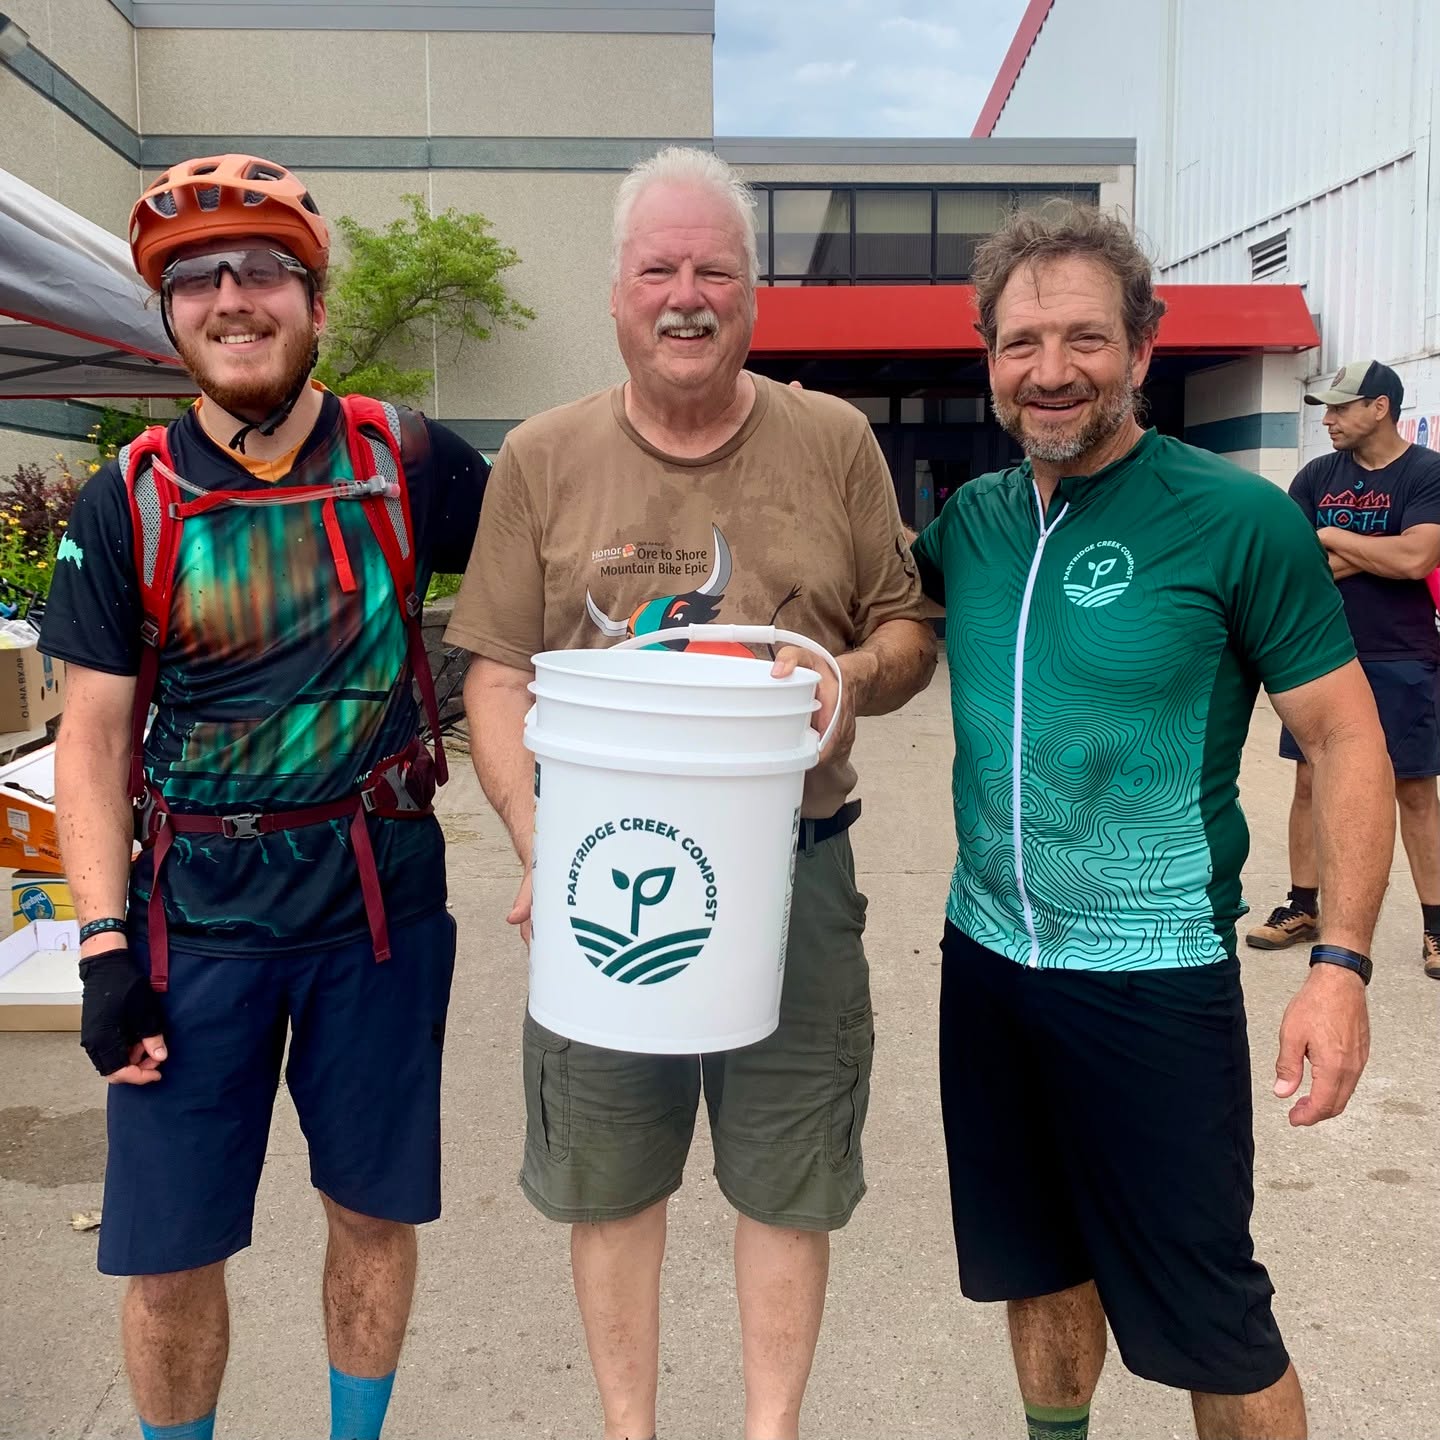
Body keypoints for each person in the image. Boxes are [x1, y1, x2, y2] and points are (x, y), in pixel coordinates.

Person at [444, 145, 934, 1440]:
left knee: (788, 1182)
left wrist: (851, 682)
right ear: (614, 291)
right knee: (610, 1182)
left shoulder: (834, 442)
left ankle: (769, 1431)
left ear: (753, 294)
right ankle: (630, 1430)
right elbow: (492, 671)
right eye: (658, 267)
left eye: (714, 267)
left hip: (798, 868)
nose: (686, 293)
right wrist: (536, 841)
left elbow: (904, 627)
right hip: (603, 866)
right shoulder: (542, 458)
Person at [910, 205, 1392, 1440]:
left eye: (1083, 337)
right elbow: (873, 620)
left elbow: (1345, 741)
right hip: (990, 960)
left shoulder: (1236, 519)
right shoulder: (971, 521)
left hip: (1153, 971)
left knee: (1210, 1324)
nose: (1051, 369)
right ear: (988, 355)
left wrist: (1339, 966)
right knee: (1037, 1270)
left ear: (1143, 346)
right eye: (1022, 341)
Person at [39, 155, 487, 1440]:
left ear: (313, 300)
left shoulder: (410, 459)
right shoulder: (128, 498)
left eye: (264, 271)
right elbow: (93, 736)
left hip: (377, 910)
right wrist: (103, 943)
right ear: (169, 314)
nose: (234, 298)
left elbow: (554, 587)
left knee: (371, 1213)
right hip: (194, 929)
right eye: (199, 279)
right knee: (169, 1259)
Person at [1246, 359, 1440, 978]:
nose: (1327, 420)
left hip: (1402, 653)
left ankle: (1437, 927)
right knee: (1309, 782)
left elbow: (1416, 559)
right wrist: (1366, 552)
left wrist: (1331, 538)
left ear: (1378, 408)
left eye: (1340, 408)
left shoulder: (1428, 473)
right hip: (1320, 654)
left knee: (1414, 791)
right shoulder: (1316, 475)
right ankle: (1303, 908)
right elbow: (1296, 567)